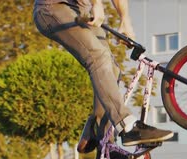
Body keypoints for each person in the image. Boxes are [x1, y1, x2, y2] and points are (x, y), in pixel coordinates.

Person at [33, 0, 173, 150]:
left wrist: (125, 19)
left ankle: (104, 142)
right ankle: (127, 125)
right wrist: (97, 4)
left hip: (82, 10)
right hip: (53, 8)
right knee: (98, 58)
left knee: (112, 70)